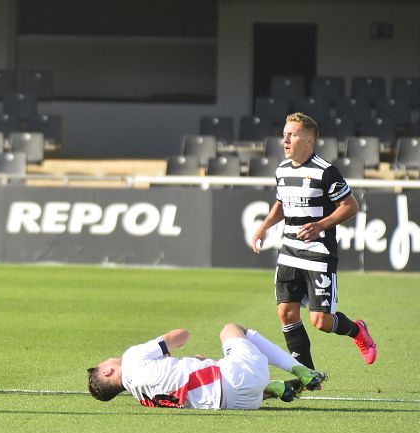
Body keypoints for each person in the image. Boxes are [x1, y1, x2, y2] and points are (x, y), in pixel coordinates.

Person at [250, 112, 376, 369]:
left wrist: (321, 225)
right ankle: (307, 374)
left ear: (309, 140)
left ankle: (357, 331)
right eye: (284, 134)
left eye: (292, 135)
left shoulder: (325, 171)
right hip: (288, 252)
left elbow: (350, 206)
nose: (285, 139)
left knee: (321, 321)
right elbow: (283, 203)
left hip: (318, 253)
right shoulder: (282, 170)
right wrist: (263, 227)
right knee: (286, 313)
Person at [87, 324, 327, 409]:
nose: (107, 359)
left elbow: (184, 383)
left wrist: (197, 362)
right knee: (232, 329)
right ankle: (301, 370)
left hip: (239, 403)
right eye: (103, 364)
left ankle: (273, 388)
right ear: (107, 371)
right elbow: (181, 335)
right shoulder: (131, 358)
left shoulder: (143, 397)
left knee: (210, 380)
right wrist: (169, 347)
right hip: (237, 376)